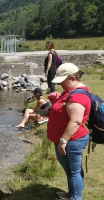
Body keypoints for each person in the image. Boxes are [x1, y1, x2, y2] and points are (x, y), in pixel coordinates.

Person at [47, 63, 91, 200]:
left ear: (72, 78)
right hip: (70, 140)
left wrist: (63, 141)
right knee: (74, 170)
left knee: (73, 172)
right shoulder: (71, 91)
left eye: (62, 81)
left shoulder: (78, 97)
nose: (60, 84)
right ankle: (73, 192)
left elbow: (75, 121)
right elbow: (65, 107)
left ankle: (76, 197)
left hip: (72, 141)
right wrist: (56, 99)